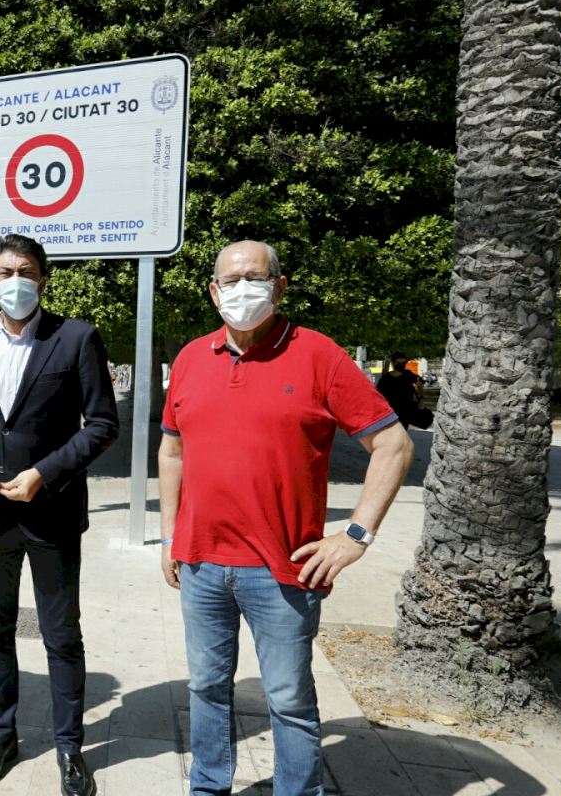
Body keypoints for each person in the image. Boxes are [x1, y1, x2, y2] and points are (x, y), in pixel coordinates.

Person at [158, 241, 415, 796]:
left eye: (254, 277)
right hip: (200, 564)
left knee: (289, 698)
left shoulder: (320, 355)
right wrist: (168, 535)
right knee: (205, 687)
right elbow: (172, 451)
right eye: (230, 280)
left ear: (279, 286)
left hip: (283, 571)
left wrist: (355, 536)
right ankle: (208, 787)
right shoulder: (191, 358)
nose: (241, 289)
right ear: (214, 292)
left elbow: (393, 444)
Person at [0, 234, 119, 796]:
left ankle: (69, 747)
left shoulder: (77, 337)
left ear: (42, 279)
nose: (15, 281)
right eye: (5, 272)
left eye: (26, 271)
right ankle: (0, 736)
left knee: (61, 634)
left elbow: (102, 424)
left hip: (52, 512)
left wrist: (46, 471)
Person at [377, 351, 431, 429]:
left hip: (406, 412)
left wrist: (421, 399)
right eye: (398, 363)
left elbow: (419, 384)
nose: (401, 365)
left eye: (404, 363)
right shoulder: (385, 379)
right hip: (391, 414)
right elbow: (378, 395)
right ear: (393, 363)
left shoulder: (408, 374)